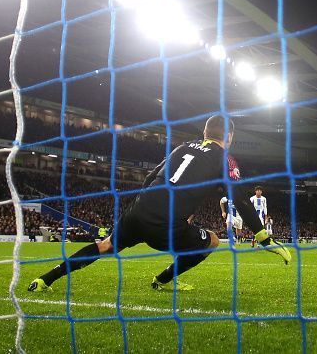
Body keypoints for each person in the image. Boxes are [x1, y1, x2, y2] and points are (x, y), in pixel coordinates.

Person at [28, 115, 291, 293]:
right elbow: (241, 199)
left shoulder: (183, 147)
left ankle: (45, 279)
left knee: (105, 246)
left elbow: (151, 176)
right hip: (164, 227)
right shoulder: (226, 159)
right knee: (211, 240)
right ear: (230, 136)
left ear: (204, 132)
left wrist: (149, 204)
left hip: (139, 212)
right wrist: (264, 238)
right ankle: (163, 280)